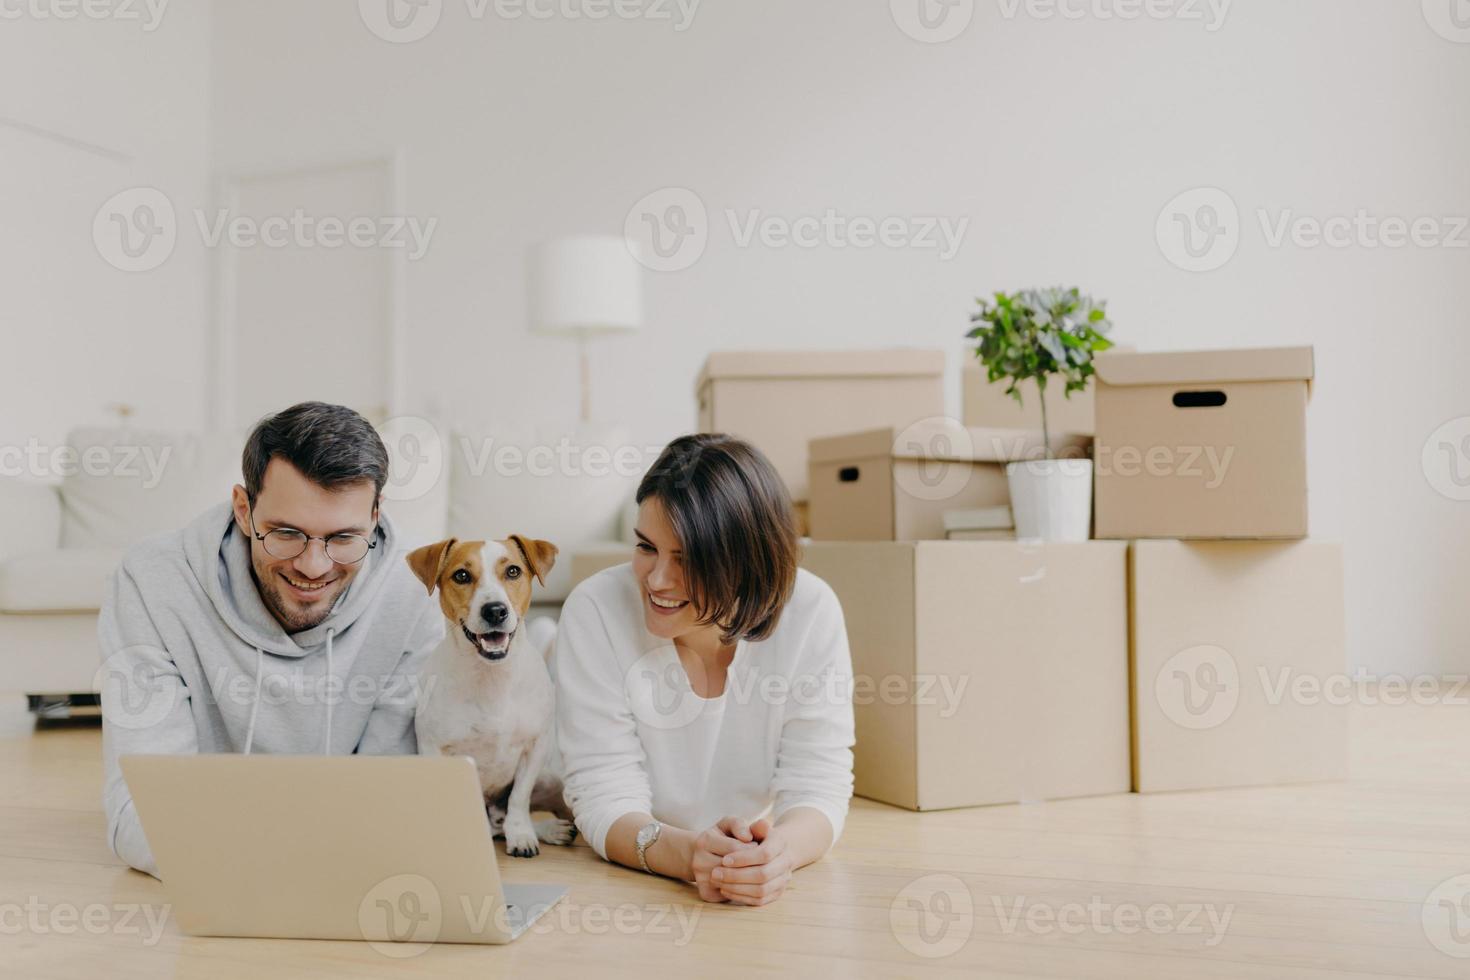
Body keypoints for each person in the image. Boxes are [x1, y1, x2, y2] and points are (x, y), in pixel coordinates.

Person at [100, 402, 443, 877]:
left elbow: (391, 797)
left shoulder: (417, 591)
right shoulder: (152, 582)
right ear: (244, 510)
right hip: (239, 871)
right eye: (286, 533)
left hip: (315, 870)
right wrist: (293, 860)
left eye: (344, 537)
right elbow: (140, 808)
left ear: (376, 516)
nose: (314, 566)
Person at [554, 433, 855, 906]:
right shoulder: (595, 609)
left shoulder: (811, 609)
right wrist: (686, 854)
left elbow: (820, 781)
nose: (656, 580)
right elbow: (603, 795)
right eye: (646, 547)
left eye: (687, 559)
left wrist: (779, 854)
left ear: (747, 564)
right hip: (640, 862)